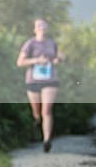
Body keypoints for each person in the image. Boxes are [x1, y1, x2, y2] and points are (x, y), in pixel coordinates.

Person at [16, 18, 65, 152]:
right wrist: (37, 60)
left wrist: (58, 59)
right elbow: (20, 62)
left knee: (47, 110)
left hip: (50, 80)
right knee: (37, 113)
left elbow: (59, 57)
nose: (42, 27)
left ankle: (47, 140)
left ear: (46, 28)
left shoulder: (51, 43)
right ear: (34, 29)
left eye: (44, 25)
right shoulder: (30, 44)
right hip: (33, 80)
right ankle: (38, 121)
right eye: (39, 25)